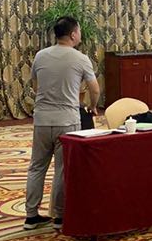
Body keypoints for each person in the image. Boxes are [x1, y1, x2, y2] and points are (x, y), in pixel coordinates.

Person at [24, 16, 99, 228]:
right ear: (73, 34)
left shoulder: (40, 55)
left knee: (36, 167)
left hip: (42, 119)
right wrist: (92, 106)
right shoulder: (80, 58)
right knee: (62, 169)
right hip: (67, 121)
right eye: (79, 31)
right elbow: (94, 89)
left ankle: (31, 216)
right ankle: (59, 216)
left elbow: (35, 85)